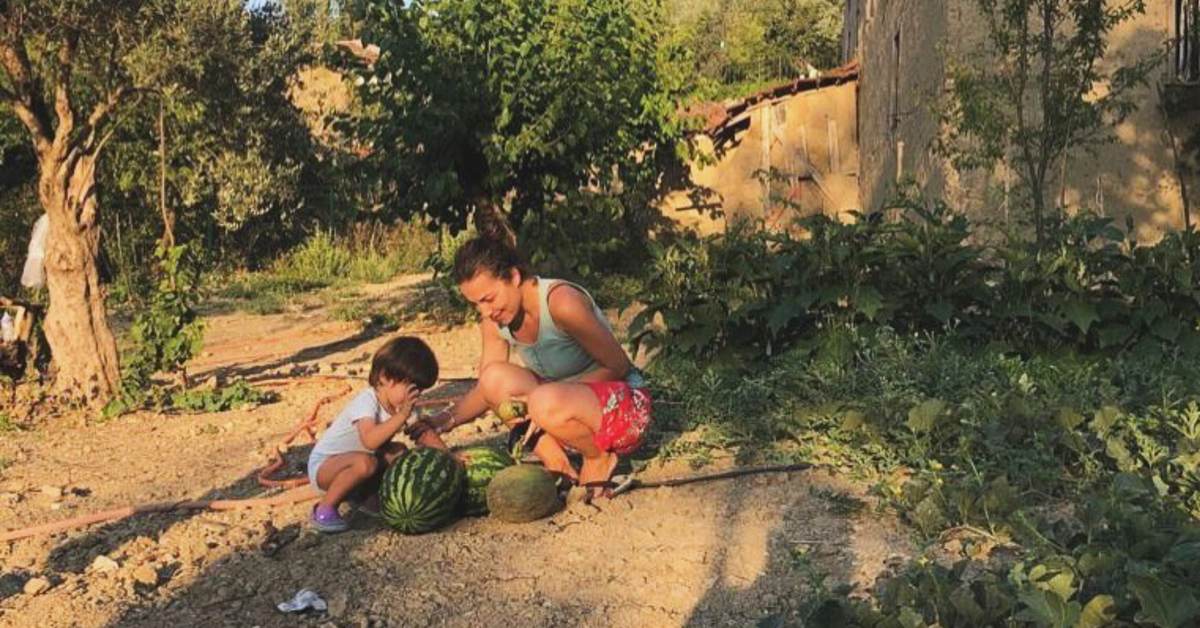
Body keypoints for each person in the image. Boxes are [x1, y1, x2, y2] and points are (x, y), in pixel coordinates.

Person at [420, 233, 651, 500]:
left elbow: (618, 365)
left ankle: (598, 458)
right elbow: (488, 388)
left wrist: (547, 398)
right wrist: (442, 421)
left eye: (489, 298)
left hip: (624, 411)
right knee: (494, 377)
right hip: (558, 411)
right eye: (476, 304)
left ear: (514, 277)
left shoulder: (562, 302)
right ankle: (559, 467)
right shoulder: (494, 320)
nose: (485, 312)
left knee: (542, 399)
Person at [307, 335, 450, 533]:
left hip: (360, 461)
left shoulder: (402, 407)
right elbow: (370, 441)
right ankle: (324, 508)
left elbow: (423, 434)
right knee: (365, 463)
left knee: (399, 452)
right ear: (384, 377)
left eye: (420, 390)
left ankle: (366, 495)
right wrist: (401, 416)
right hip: (325, 467)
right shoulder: (367, 401)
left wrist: (450, 458)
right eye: (412, 387)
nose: (416, 395)